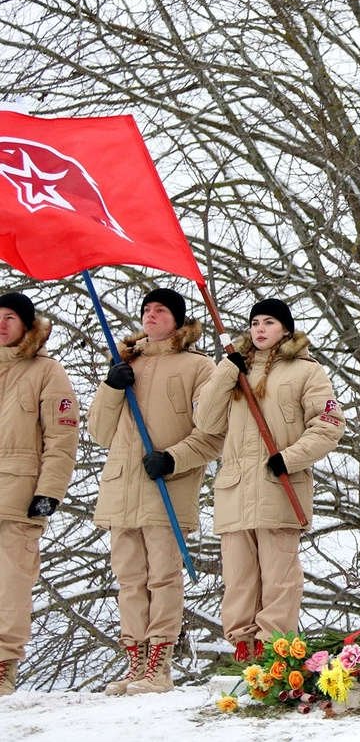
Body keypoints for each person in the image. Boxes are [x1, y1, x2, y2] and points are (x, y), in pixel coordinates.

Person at [88, 288, 223, 694]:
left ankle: (158, 668)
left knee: (163, 577)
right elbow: (98, 432)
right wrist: (112, 387)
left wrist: (173, 458)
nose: (150, 315)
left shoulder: (200, 367)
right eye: (146, 309)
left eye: (160, 310)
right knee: (129, 579)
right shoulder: (124, 361)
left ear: (178, 320)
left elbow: (213, 433)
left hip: (166, 485)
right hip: (121, 489)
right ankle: (135, 661)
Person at [194, 298, 342, 662]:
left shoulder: (307, 372)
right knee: (239, 580)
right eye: (255, 322)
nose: (260, 329)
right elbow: (205, 422)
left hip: (279, 486)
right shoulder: (232, 370)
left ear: (286, 329)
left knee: (279, 579)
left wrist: (288, 459)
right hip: (234, 490)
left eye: (269, 322)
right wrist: (226, 372)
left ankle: (274, 656)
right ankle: (243, 652)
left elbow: (329, 425)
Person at [0, 292, 78, 696]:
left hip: (18, 495)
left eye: (9, 317)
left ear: (26, 325)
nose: (1, 324)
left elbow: (62, 438)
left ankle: (2, 664)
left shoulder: (47, 372)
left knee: (11, 582)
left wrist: (49, 491)